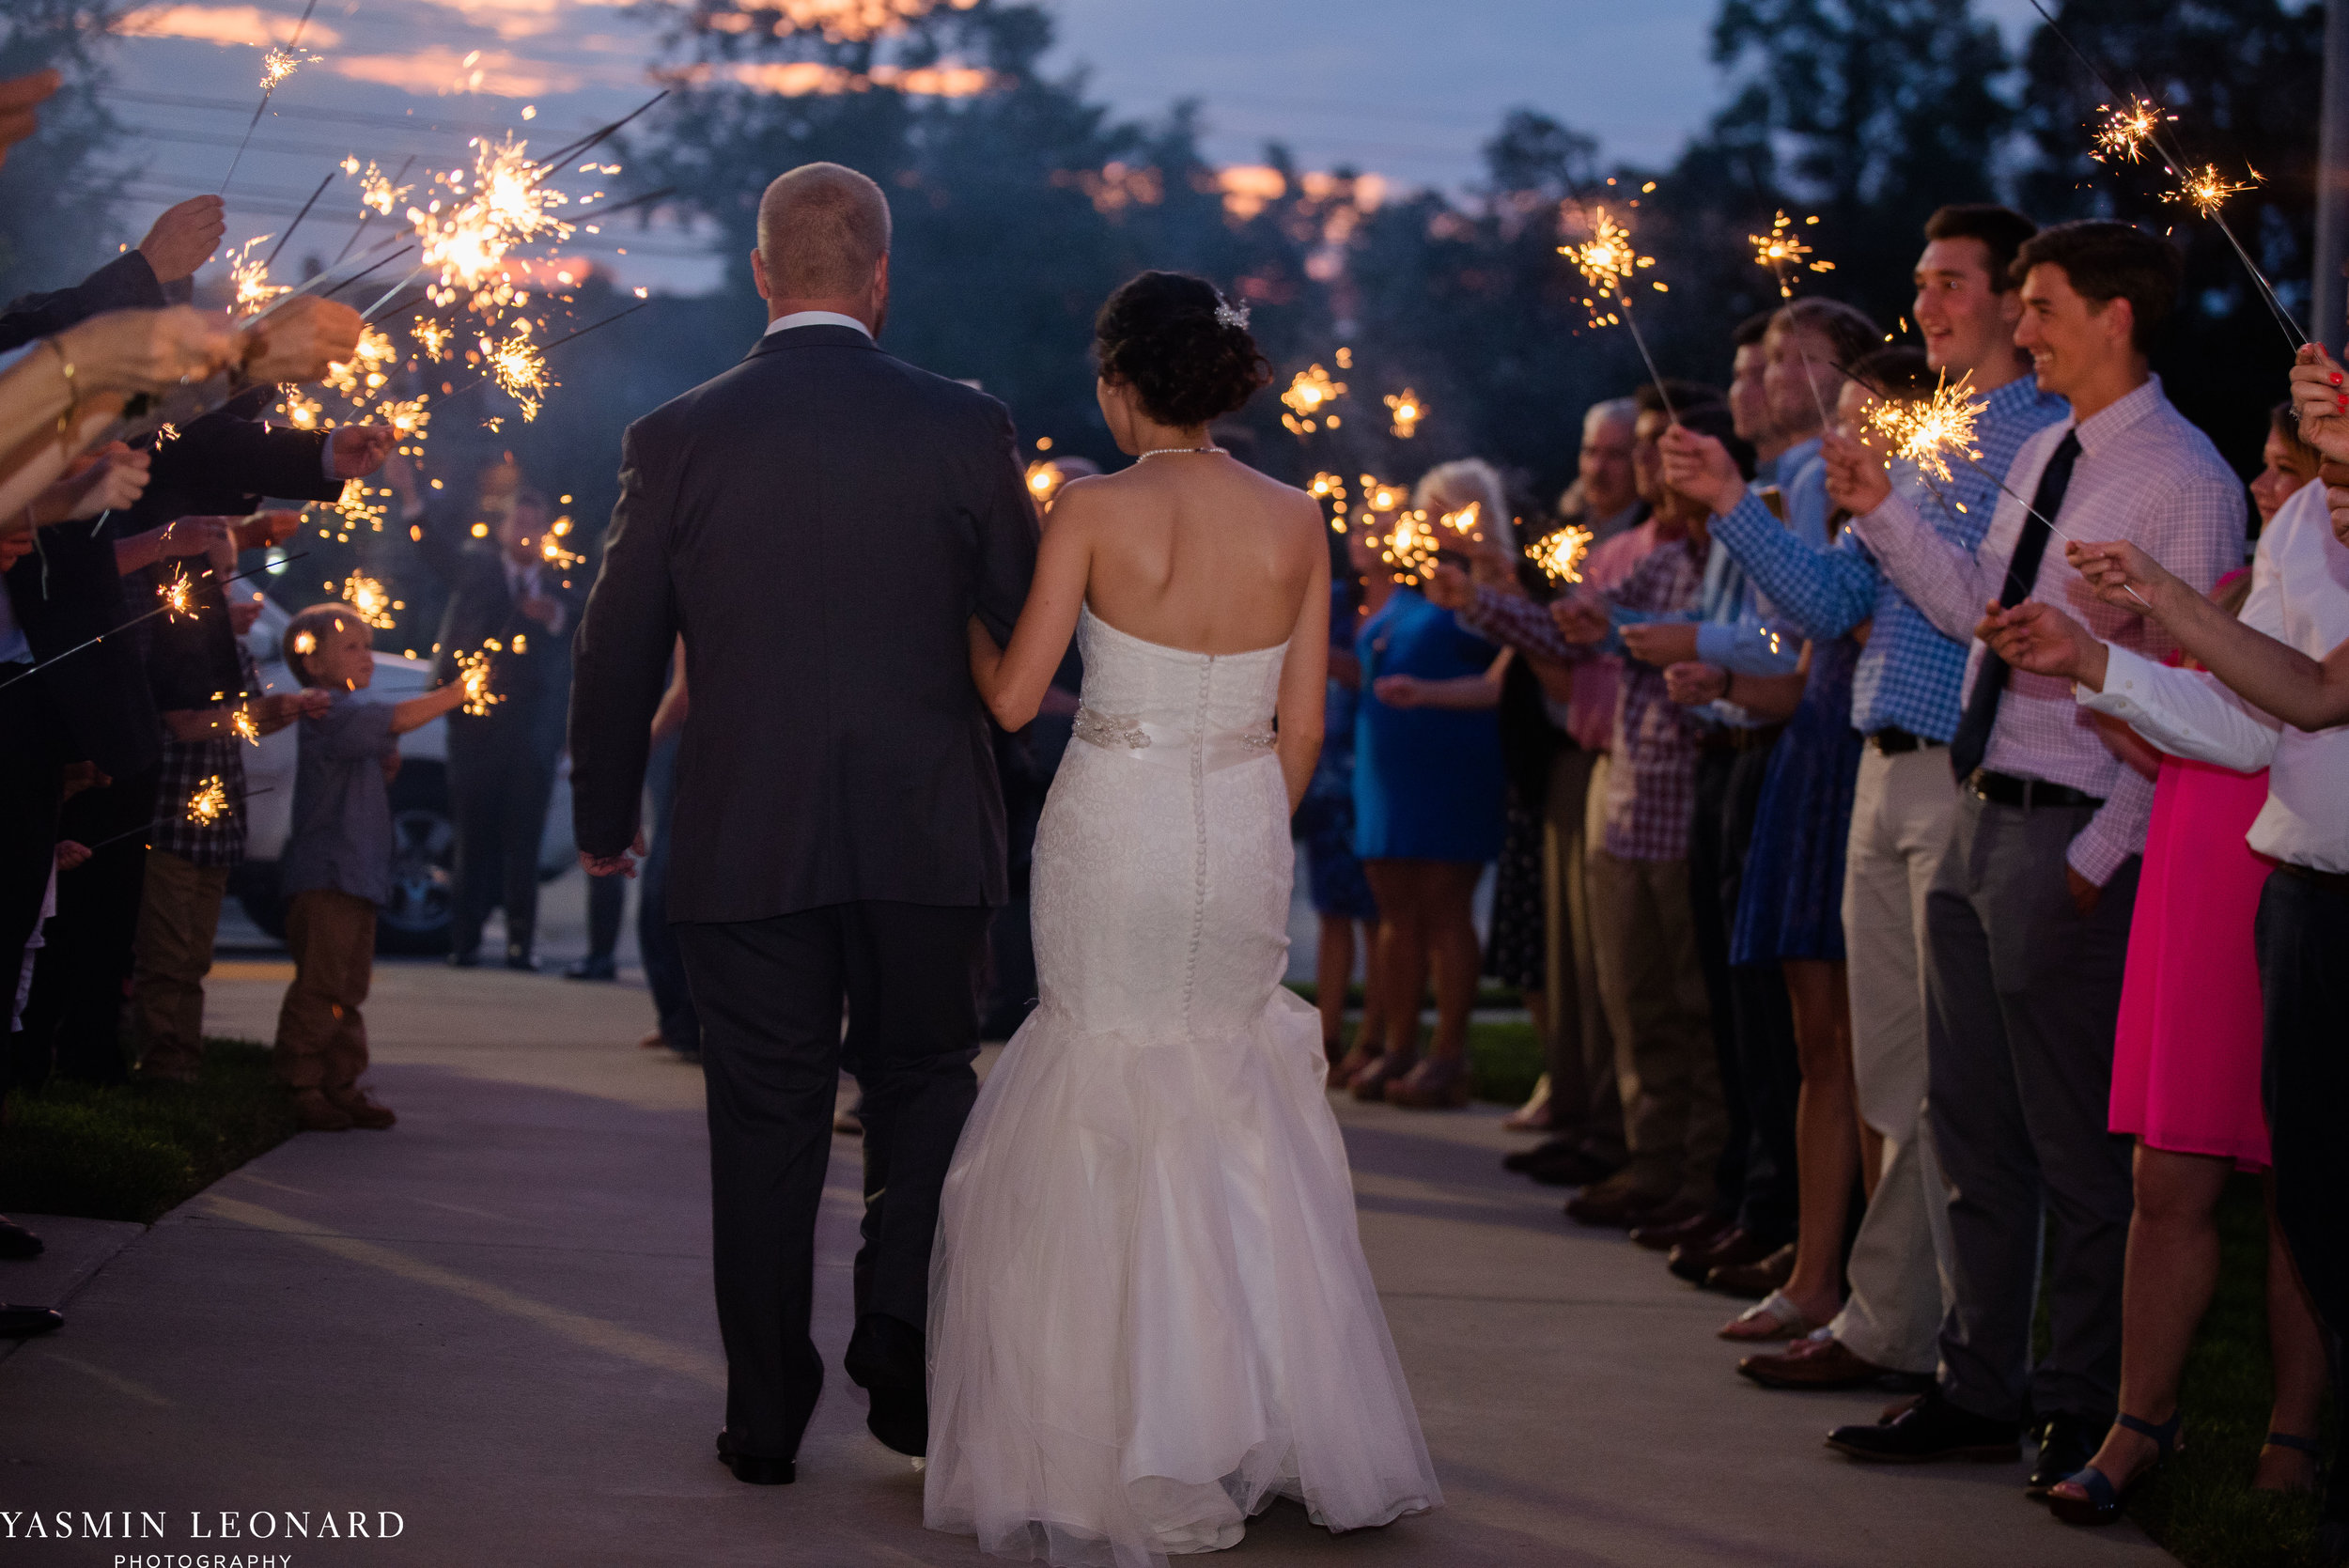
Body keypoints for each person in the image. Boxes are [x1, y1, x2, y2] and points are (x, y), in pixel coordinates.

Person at [935, 267, 1439, 1563]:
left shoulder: (1093, 508)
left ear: (1119, 384)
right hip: (1242, 823)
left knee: (1105, 1074)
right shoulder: (1296, 516)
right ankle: (1244, 1416)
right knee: (1231, 1093)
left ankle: (1104, 1428)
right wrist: (1243, 818)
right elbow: (1310, 723)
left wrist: (959, 625)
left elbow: (1012, 700)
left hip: (1118, 821)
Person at [568, 163, 1039, 1485]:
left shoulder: (675, 437)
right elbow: (1025, 608)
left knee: (765, 1122)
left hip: (745, 834)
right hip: (928, 833)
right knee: (925, 1080)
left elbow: (615, 653)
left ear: (764, 273)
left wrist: (605, 812)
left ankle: (765, 1419)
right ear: (881, 277)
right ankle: (899, 1335)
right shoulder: (963, 426)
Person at [1819, 221, 2245, 1495]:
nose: (2027, 322)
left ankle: (2081, 1399)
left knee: (2074, 1146)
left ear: (2116, 316)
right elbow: (1973, 611)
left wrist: (2105, 849)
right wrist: (1884, 513)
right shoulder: (2051, 448)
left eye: (2045, 305)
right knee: (1973, 1127)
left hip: (2070, 826)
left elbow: (2191, 684)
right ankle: (1977, 1380)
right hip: (1980, 798)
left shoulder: (2184, 476)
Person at [1968, 341, 2349, 1542]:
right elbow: (2246, 726)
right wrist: (2093, 656)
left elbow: (2322, 692)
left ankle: (2304, 1448)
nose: (2294, 475)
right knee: (2315, 1202)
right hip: (2301, 889)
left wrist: (2156, 601)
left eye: (2320, 452)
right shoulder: (2295, 543)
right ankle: (2167, 1424)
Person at [1693, 204, 2068, 1395]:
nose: (1925, 304)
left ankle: (1950, 1340)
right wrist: (1729, 503)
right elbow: (1819, 606)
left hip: (1962, 767)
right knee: (1890, 1071)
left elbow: (1977, 609)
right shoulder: (1928, 432)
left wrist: (1882, 504)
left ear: (2013, 300)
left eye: (1950, 282)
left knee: (1954, 1082)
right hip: (1873, 759)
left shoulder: (2037, 439)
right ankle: (1889, 1320)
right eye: (1920, 281)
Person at [1665, 347, 1933, 1338]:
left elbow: (1856, 621)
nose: (1840, 434)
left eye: (1861, 417)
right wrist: (1726, 674)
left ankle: (1871, 1288)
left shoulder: (1919, 513)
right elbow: (1815, 621)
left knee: (1870, 1049)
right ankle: (1817, 1271)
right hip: (1816, 755)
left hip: (1850, 752)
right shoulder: (1858, 517)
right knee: (1817, 1044)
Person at [1431, 397, 1747, 1230]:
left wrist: (1603, 624)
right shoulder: (1640, 553)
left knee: (1689, 1003)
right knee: (1634, 996)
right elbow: (1578, 633)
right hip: (1632, 789)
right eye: (1636, 452)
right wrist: (1478, 600)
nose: (1644, 467)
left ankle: (1698, 1171)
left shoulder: (1717, 551)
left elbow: (1656, 634)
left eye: (1657, 452)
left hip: (1678, 796)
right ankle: (1650, 1161)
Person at [1343, 469, 1506, 1110]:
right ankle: (1397, 1044)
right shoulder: (1411, 580)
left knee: (1443, 905)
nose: (1434, 520)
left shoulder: (1489, 586)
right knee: (1393, 909)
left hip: (1451, 761)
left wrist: (1427, 693)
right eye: (1427, 507)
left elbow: (1497, 674)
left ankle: (1449, 1055)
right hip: (1387, 767)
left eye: (1447, 509)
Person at [130, 520, 315, 1084]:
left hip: (218, 819)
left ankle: (185, 1056)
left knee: (195, 956)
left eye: (234, 571)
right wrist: (259, 713)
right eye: (221, 572)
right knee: (167, 955)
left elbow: (249, 724)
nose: (232, 586)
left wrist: (280, 713)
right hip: (173, 818)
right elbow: (182, 725)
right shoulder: (167, 639)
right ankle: (165, 1063)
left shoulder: (230, 649)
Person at [272, 605, 468, 1131]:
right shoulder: (326, 710)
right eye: (351, 648)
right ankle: (301, 1083)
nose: (367, 658)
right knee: (320, 985)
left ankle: (340, 1083)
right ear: (313, 665)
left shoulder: (352, 713)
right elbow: (398, 719)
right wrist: (455, 693)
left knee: (348, 988)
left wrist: (386, 766)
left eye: (367, 645)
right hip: (329, 876)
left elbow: (379, 747)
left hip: (358, 876)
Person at [425, 482, 581, 970]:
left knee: (524, 836)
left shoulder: (563, 589)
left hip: (533, 733)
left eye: (535, 524)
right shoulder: (478, 569)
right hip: (475, 728)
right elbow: (432, 551)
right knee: (472, 832)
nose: (527, 533)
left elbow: (577, 651)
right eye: (519, 522)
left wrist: (553, 616)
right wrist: (411, 498)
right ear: (503, 528)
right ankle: (465, 938)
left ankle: (520, 943)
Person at [1301, 521, 1385, 1067]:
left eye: (1376, 527)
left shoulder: (1411, 605)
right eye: (1356, 525)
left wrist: (1317, 655)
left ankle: (1375, 1037)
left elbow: (1373, 675)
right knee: (1332, 910)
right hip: (1328, 774)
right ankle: (1325, 1037)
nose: (1361, 536)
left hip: (1380, 768)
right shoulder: (1332, 600)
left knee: (1380, 916)